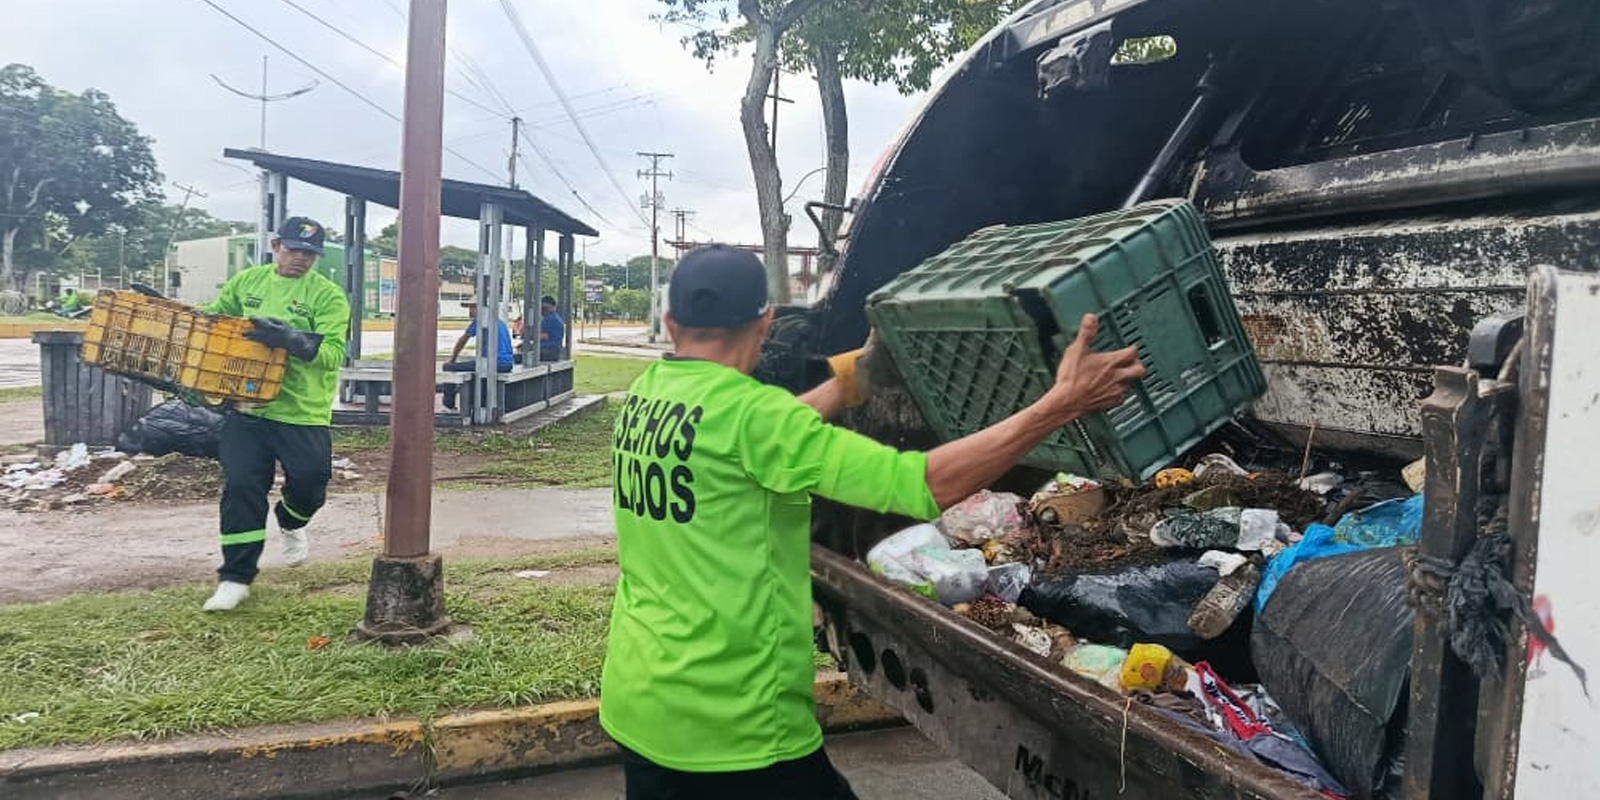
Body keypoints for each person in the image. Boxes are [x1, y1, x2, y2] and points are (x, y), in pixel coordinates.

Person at [601, 244, 1145, 798]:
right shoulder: (754, 419)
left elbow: (768, 435)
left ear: (670, 323)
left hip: (642, 702)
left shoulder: (649, 395)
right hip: (732, 720)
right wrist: (1063, 402)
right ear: (766, 320)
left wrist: (853, 376)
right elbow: (923, 484)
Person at [201, 216, 349, 612]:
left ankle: (291, 520)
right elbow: (214, 321)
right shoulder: (247, 283)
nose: (301, 258)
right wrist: (173, 312)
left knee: (311, 481)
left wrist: (293, 341)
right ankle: (235, 577)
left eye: (310, 253)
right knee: (241, 487)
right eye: (294, 249)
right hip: (246, 407)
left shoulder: (328, 296)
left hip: (302, 411)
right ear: (275, 245)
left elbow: (334, 353)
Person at [441, 300, 515, 411]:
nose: (470, 311)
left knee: (448, 367)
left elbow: (463, 340)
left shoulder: (481, 321)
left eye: (473, 307)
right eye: (469, 308)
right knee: (474, 367)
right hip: (507, 363)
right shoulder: (499, 322)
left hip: (494, 363)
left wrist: (452, 359)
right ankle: (472, 403)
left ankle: (449, 405)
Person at [537, 294, 565, 362]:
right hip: (555, 352)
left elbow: (543, 336)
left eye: (543, 308)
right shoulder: (556, 318)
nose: (541, 311)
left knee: (521, 357)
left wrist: (528, 339)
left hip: (548, 351)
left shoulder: (549, 319)